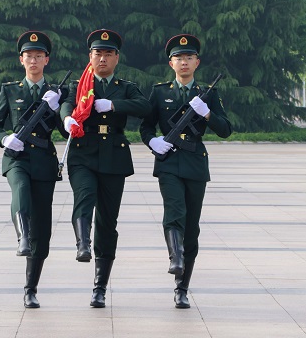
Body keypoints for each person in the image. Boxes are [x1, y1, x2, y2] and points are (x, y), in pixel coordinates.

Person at [60, 29, 151, 308]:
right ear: (90, 56)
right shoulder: (80, 85)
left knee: (108, 222)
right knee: (84, 196)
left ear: (116, 58)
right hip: (83, 153)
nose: (102, 58)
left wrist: (113, 104)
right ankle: (82, 243)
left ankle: (99, 286)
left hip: (113, 156)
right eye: (98, 53)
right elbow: (66, 104)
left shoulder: (125, 87)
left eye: (108, 54)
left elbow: (145, 107)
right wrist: (66, 119)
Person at [139, 34, 232, 309]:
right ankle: (175, 258)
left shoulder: (207, 94)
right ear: (171, 63)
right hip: (168, 162)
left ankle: (182, 288)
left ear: (196, 62)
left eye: (189, 58)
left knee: (191, 228)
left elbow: (225, 130)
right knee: (174, 211)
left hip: (195, 164)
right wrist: (152, 141)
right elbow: (146, 126)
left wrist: (207, 114)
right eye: (178, 58)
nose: (184, 62)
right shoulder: (159, 92)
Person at [0, 31, 67, 309]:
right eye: (28, 56)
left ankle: (31, 288)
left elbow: (65, 131)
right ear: (21, 60)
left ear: (46, 60)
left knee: (42, 225)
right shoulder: (10, 90)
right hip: (17, 157)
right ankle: (22, 237)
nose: (33, 60)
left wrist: (57, 110)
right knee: (20, 189)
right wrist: (4, 139)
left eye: (38, 56)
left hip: (44, 159)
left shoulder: (57, 92)